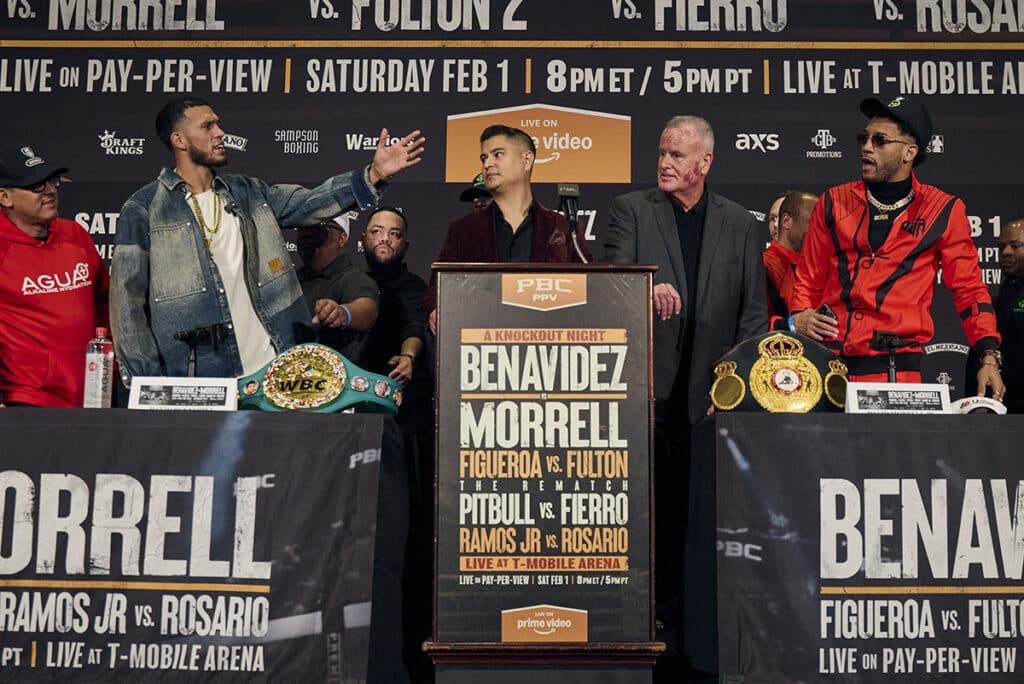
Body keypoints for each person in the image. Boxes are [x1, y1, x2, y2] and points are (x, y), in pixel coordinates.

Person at [604, 114, 767, 680]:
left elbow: (752, 311)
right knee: (648, 518)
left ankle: (699, 634)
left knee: (703, 524)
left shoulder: (741, 225)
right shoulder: (631, 210)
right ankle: (645, 627)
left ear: (706, 163)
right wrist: (647, 283)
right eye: (662, 152)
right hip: (645, 394)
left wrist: (735, 386)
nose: (665, 162)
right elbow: (611, 278)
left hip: (710, 399)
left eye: (678, 154)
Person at [111, 95, 424, 384]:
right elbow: (128, 306)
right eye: (207, 126)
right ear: (178, 140)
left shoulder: (249, 193)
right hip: (200, 380)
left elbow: (312, 202)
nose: (220, 132)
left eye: (218, 123)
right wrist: (147, 384)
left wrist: (374, 174)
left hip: (277, 372)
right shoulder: (144, 209)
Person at [791, 95, 1004, 399]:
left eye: (880, 140)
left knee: (888, 448)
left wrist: (988, 356)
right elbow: (808, 279)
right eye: (863, 138)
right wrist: (799, 316)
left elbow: (969, 289)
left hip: (897, 371)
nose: (866, 146)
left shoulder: (943, 210)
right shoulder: (833, 201)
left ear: (909, 152)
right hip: (827, 365)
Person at [359, 206, 434, 682]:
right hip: (345, 427)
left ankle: (404, 656)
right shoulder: (349, 285)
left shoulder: (413, 288)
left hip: (400, 427)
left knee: (397, 540)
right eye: (377, 231)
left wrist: (408, 357)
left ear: (406, 245)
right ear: (362, 239)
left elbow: (413, 326)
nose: (385, 239)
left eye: (395, 234)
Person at [423, 124, 590, 333]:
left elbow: (590, 287)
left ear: (527, 160)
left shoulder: (564, 227)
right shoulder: (463, 229)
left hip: (546, 342)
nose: (487, 164)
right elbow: (436, 289)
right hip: (482, 344)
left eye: (497, 155)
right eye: (484, 158)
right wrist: (434, 309)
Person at [0, 144, 110, 407]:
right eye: (37, 185)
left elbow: (105, 302)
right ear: (5, 197)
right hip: (30, 398)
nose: (50, 191)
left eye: (52, 181)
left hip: (95, 393)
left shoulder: (75, 233)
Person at [296, 212, 379, 363]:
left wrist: (343, 313)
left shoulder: (353, 278)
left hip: (331, 380)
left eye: (319, 227)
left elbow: (368, 310)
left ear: (342, 238)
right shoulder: (289, 279)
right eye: (302, 228)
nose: (307, 234)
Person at [763, 190, 817, 318]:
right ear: (786, 221)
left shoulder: (816, 268)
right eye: (813, 221)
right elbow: (755, 324)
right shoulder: (766, 266)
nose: (819, 230)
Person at [994, 219, 1024, 412]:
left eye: (1015, 246)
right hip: (1003, 402)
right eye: (1001, 246)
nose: (1005, 252)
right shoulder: (1003, 293)